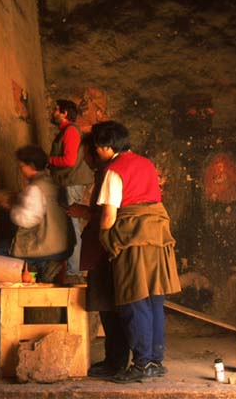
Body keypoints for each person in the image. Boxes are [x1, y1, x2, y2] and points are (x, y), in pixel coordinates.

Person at [91, 121, 181, 383]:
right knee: (154, 300)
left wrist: (105, 238)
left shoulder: (113, 170)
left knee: (133, 300)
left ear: (106, 147)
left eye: (97, 148)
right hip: (158, 237)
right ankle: (156, 362)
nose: (97, 153)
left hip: (133, 240)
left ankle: (142, 365)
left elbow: (109, 215)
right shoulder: (146, 164)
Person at [66, 131, 129, 378]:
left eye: (86, 154)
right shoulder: (102, 174)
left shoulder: (110, 174)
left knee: (111, 307)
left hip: (105, 250)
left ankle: (117, 362)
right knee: (107, 307)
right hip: (99, 248)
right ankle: (113, 359)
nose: (85, 159)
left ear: (98, 151)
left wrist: (85, 212)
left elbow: (109, 215)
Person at [0, 145, 75, 281]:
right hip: (65, 246)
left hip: (48, 247)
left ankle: (27, 279)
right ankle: (44, 267)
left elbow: (27, 219)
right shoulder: (53, 184)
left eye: (22, 167)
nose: (21, 171)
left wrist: (11, 208)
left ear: (30, 166)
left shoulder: (36, 188)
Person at [49, 99, 94, 275]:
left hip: (71, 182)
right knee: (68, 225)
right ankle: (72, 269)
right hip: (68, 182)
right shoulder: (66, 131)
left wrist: (49, 160)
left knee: (72, 225)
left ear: (64, 113)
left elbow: (69, 160)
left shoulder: (70, 131)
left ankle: (74, 271)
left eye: (56, 109)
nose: (53, 112)